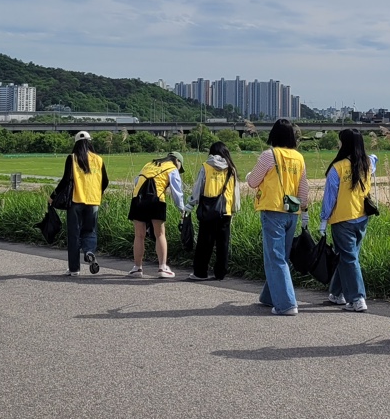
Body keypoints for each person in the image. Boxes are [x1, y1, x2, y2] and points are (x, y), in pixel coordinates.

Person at [246, 119, 309, 315]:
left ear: (273, 135)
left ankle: (286, 304)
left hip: (273, 209)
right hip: (292, 210)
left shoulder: (269, 155)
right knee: (282, 256)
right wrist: (304, 210)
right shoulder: (299, 157)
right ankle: (270, 296)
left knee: (275, 257)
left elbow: (253, 182)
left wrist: (248, 175)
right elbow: (303, 188)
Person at [319, 129, 376, 312]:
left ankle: (358, 298)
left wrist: (323, 220)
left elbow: (330, 197)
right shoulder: (367, 163)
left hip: (342, 219)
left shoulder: (338, 167)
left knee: (349, 258)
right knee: (347, 256)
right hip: (362, 217)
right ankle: (337, 294)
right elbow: (375, 159)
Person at [127, 150, 189, 278]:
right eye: (180, 166)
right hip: (156, 200)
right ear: (177, 161)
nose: (179, 169)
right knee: (160, 234)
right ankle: (162, 268)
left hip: (137, 199)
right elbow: (176, 192)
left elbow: (137, 181)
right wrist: (182, 209)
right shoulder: (172, 168)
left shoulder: (149, 164)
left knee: (139, 235)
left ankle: (137, 268)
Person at [188, 141, 239, 281]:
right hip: (225, 210)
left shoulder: (206, 166)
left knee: (205, 242)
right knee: (223, 243)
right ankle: (220, 273)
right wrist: (234, 208)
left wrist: (191, 203)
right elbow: (235, 191)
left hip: (208, 209)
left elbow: (198, 187)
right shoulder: (231, 169)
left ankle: (200, 272)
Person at [60, 131, 108, 277]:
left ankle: (74, 269)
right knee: (90, 230)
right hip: (93, 200)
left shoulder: (72, 158)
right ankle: (89, 252)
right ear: (90, 142)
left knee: (74, 235)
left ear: (76, 144)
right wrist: (97, 192)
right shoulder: (99, 159)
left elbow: (66, 180)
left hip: (76, 200)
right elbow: (105, 181)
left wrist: (53, 196)